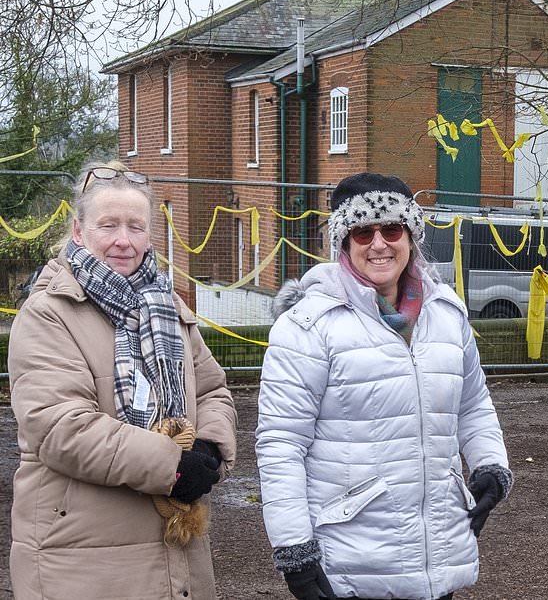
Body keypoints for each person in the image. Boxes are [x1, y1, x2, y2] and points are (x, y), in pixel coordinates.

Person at [257, 172, 512, 600]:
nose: (378, 244)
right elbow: (281, 443)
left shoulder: (445, 313)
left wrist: (489, 465)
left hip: (436, 557)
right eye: (362, 231)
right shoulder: (308, 326)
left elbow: (472, 405)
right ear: (343, 241)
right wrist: (295, 552)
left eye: (391, 229)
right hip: (352, 566)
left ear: (410, 236)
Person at [7, 161, 237, 600]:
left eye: (136, 226)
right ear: (79, 231)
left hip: (175, 547)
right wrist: (170, 466)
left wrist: (206, 446)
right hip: (81, 554)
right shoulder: (48, 313)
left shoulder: (166, 305)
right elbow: (60, 427)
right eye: (107, 225)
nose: (123, 240)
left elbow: (212, 390)